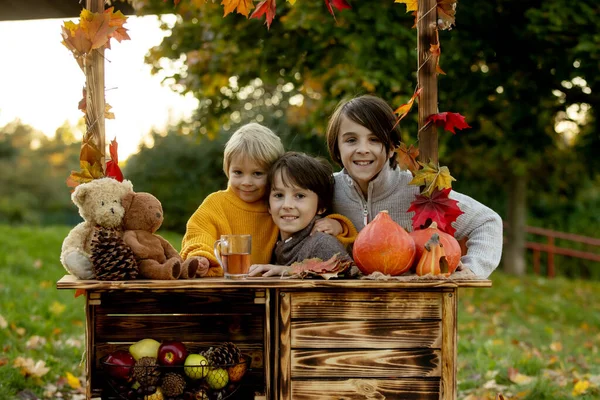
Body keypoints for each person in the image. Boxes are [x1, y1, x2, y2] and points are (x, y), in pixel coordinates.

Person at [324, 95, 503, 278]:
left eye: (375, 139)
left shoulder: (419, 189)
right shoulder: (325, 189)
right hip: (345, 303)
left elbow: (487, 221)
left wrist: (473, 268)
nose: (363, 149)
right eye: (351, 140)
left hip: (410, 301)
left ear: (393, 146)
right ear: (337, 146)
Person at [181, 123, 356, 277]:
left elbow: (311, 216)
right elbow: (199, 232)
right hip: (226, 283)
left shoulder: (274, 204)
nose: (247, 182)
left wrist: (337, 224)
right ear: (228, 170)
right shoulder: (217, 203)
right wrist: (200, 256)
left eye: (257, 173)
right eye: (238, 172)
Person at [249, 152, 355, 277]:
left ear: (321, 206)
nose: (287, 205)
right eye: (279, 195)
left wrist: (289, 270)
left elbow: (350, 274)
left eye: (300, 196)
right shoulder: (273, 242)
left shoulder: (322, 243)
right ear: (269, 206)